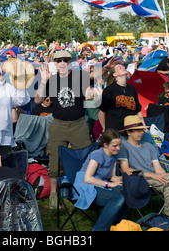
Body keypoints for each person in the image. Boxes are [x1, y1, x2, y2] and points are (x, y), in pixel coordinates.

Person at [35, 51, 117, 208]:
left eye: (66, 60)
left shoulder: (79, 76)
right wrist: (44, 81)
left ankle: (84, 191)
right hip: (58, 124)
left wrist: (106, 67)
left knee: (85, 158)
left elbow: (94, 75)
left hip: (78, 124)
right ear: (54, 62)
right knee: (55, 160)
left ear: (70, 61)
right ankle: (54, 195)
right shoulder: (51, 80)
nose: (63, 62)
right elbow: (37, 100)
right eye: (59, 60)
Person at [118, 116, 169, 219]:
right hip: (141, 178)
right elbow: (125, 169)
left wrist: (164, 175)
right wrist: (153, 175)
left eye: (141, 130)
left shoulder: (148, 145)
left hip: (155, 175)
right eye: (137, 131)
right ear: (128, 132)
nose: (141, 133)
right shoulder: (123, 146)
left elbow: (157, 166)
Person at [73, 129, 125, 231]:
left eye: (119, 145)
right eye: (114, 146)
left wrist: (127, 177)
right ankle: (99, 229)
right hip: (86, 185)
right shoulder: (98, 154)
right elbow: (88, 178)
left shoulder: (114, 155)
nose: (118, 148)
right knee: (117, 198)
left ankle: (115, 225)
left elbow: (112, 177)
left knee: (125, 191)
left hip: (99, 183)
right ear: (105, 144)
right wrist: (108, 184)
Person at [98, 63, 144, 132]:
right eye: (119, 67)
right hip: (115, 131)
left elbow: (138, 111)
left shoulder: (132, 88)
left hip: (132, 130)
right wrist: (105, 128)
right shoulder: (109, 90)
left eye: (123, 66)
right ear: (115, 74)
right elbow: (101, 111)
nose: (123, 67)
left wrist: (143, 126)